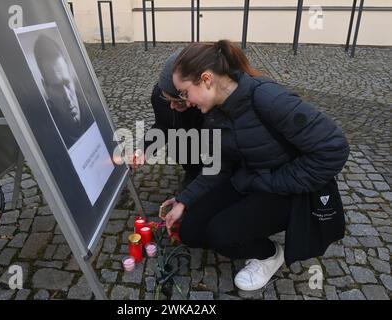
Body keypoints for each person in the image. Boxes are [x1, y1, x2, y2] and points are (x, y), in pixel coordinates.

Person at [162, 40, 349, 291]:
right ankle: (243, 227)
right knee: (191, 231)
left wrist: (275, 181)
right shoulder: (214, 111)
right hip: (251, 179)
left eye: (184, 93)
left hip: (291, 191)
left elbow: (334, 148)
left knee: (220, 234)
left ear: (206, 79)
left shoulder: (268, 98)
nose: (185, 101)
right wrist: (185, 199)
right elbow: (220, 164)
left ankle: (269, 254)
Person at [132, 49, 203, 189]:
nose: (172, 106)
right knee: (178, 148)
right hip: (188, 138)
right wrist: (143, 149)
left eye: (179, 101)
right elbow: (163, 125)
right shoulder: (160, 96)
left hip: (209, 138)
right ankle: (193, 171)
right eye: (168, 100)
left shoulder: (211, 104)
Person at [33, 34, 94, 149]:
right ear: (46, 88)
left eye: (67, 83)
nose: (67, 96)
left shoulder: (94, 109)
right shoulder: (47, 134)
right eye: (57, 88)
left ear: (71, 76)